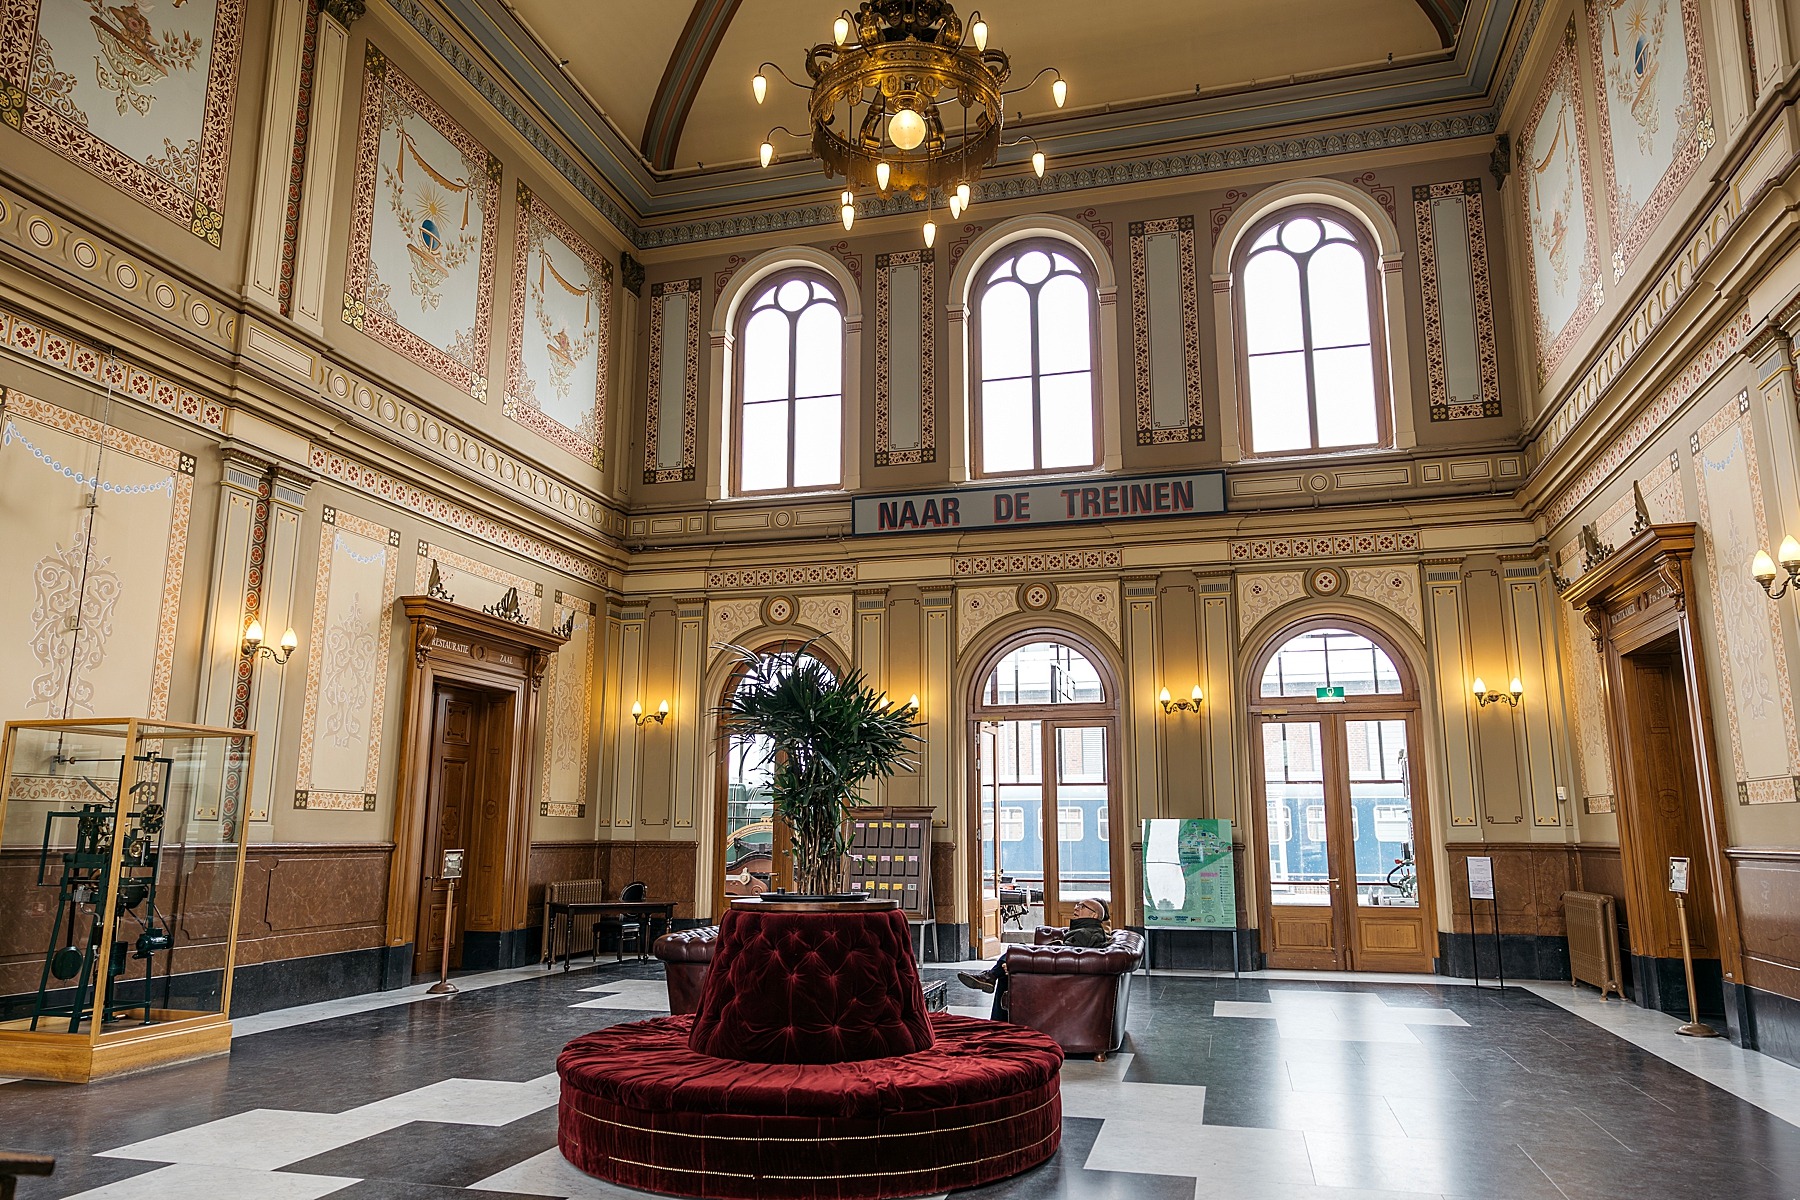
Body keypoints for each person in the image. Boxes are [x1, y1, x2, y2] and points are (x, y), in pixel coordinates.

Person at [957, 897, 1111, 1018]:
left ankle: (990, 977)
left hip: (1058, 981)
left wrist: (1027, 963)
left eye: (1082, 906)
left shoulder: (1087, 934)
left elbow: (1068, 957)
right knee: (1012, 962)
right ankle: (991, 983)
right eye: (1077, 904)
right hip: (1059, 975)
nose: (1076, 908)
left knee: (1014, 955)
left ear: (1094, 915)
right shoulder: (1086, 931)